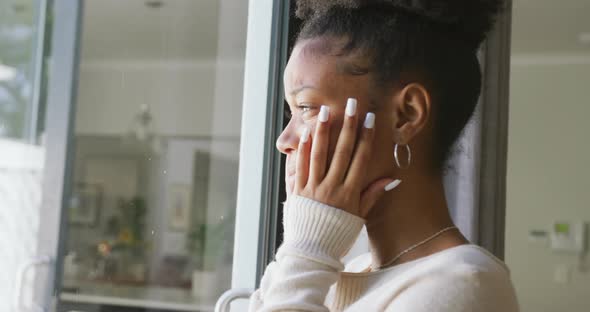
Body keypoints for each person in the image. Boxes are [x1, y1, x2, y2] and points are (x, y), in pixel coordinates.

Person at [249, 0, 519, 311]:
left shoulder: (463, 285)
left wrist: (307, 251)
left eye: (307, 108)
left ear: (406, 115)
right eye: (290, 112)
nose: (285, 140)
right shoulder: (330, 270)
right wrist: (300, 245)